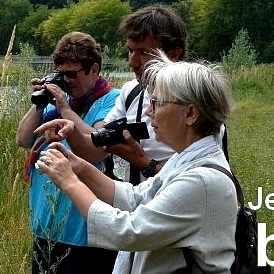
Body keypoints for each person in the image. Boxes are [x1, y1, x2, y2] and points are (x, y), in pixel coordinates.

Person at [34, 57, 237, 273]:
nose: (149, 111)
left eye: (157, 102)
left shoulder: (202, 181)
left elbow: (127, 231)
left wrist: (70, 183)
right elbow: (135, 198)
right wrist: (79, 167)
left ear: (190, 113)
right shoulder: (185, 161)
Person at [36, 4, 189, 185]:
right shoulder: (131, 91)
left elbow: (203, 179)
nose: (132, 62)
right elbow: (97, 150)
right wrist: (69, 130)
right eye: (130, 50)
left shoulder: (196, 102)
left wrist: (145, 164)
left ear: (173, 55)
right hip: (135, 208)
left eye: (143, 52)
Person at [16, 32, 120, 274]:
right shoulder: (57, 103)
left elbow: (99, 146)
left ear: (94, 70)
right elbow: (23, 139)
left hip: (86, 231)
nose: (66, 81)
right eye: (60, 74)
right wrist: (40, 102)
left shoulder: (113, 101)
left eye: (71, 74)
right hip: (48, 226)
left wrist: (64, 107)